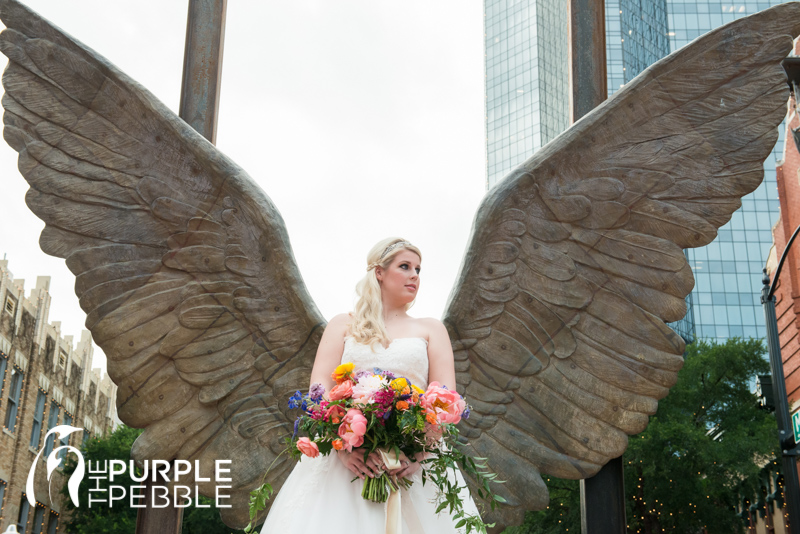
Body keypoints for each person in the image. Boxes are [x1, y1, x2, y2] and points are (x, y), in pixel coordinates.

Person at [260, 237, 479, 533]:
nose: (415, 275)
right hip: (345, 461)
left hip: (413, 460)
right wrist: (342, 448)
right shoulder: (342, 325)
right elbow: (319, 390)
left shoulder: (431, 329)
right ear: (379, 272)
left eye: (418, 269)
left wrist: (418, 453)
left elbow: (446, 399)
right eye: (405, 266)